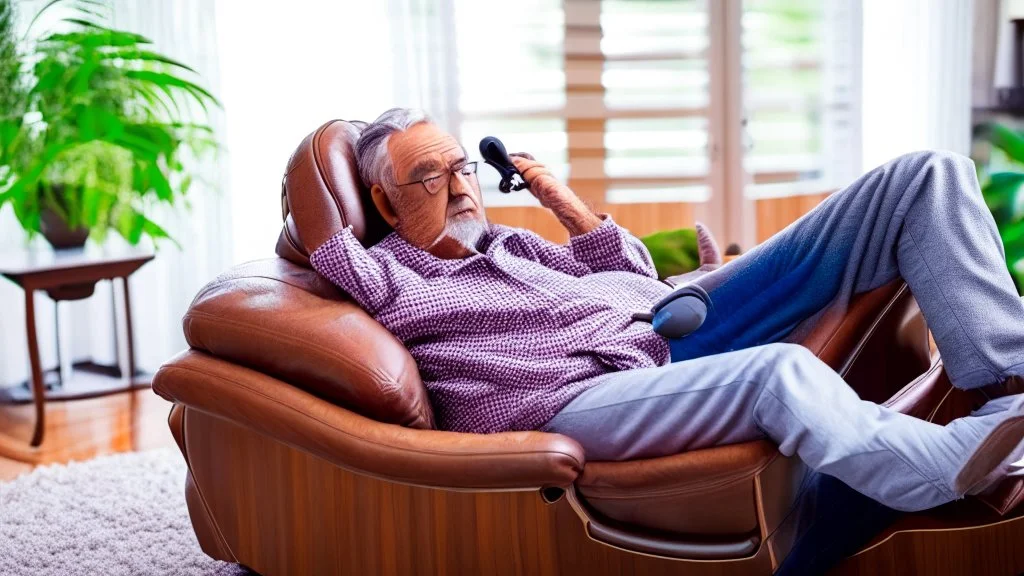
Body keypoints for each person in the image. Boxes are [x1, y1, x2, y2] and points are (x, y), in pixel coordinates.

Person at [310, 107, 1024, 513]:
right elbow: (316, 217)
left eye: (462, 166)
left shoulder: (516, 243)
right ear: (383, 202)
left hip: (671, 321)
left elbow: (632, 272)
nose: (462, 187)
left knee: (926, 176)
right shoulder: (390, 276)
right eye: (429, 176)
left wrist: (561, 202)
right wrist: (334, 145)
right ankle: (924, 468)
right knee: (777, 376)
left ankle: (1009, 392)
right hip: (574, 395)